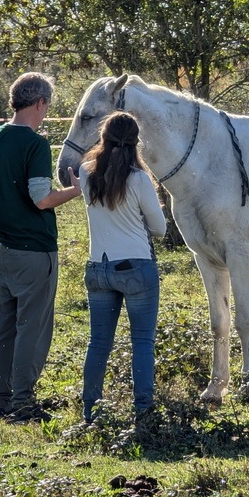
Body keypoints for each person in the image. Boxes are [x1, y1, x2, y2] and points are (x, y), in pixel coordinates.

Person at [0, 72, 81, 424]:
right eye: (47, 106)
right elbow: (41, 199)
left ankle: (2, 398)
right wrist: (76, 190)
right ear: (40, 103)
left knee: (5, 324)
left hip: (4, 247)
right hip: (35, 250)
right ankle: (23, 402)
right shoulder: (35, 144)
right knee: (33, 327)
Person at [78, 112, 167, 423]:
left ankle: (90, 410)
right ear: (135, 143)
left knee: (98, 342)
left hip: (97, 268)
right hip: (135, 267)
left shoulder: (85, 172)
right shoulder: (140, 179)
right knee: (142, 341)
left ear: (102, 139)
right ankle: (143, 410)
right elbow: (159, 228)